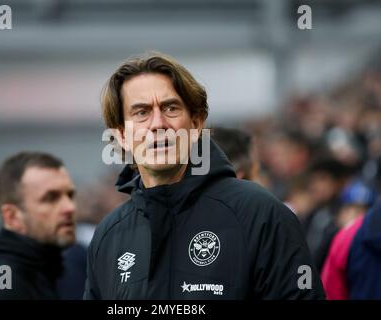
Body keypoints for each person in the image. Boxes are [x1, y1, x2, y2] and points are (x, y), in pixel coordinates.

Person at [84, 52, 325, 299]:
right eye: (141, 112)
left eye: (170, 108)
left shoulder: (260, 214)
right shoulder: (109, 236)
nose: (158, 124)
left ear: (197, 123)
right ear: (122, 135)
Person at [0, 152, 77, 299]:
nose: (69, 207)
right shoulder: (5, 281)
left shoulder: (42, 268)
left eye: (70, 195)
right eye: (50, 198)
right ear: (12, 217)